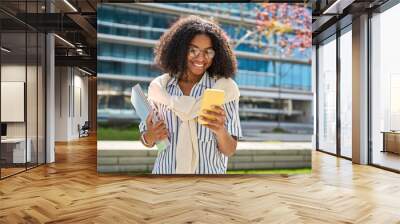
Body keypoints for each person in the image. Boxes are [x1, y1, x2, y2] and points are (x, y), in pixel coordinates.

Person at [139, 15, 242, 174]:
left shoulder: (225, 90)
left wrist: (220, 130)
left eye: (208, 52)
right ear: (179, 50)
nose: (201, 58)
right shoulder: (159, 89)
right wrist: (150, 136)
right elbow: (147, 140)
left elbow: (229, 150)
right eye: (193, 50)